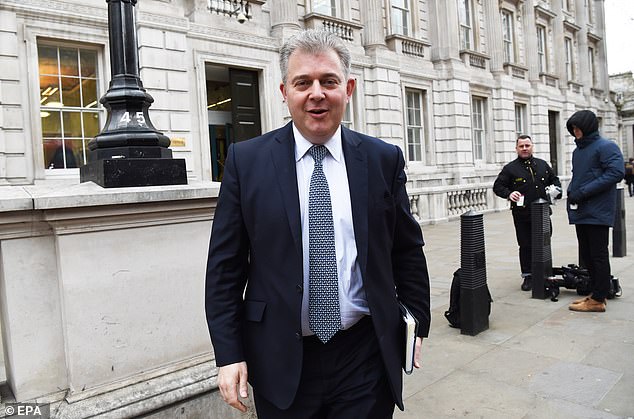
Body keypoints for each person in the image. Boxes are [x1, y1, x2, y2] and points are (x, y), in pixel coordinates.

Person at [205, 29, 431, 419]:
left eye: (329, 81)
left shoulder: (382, 160)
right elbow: (225, 268)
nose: (316, 93)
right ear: (284, 91)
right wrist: (229, 354)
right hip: (280, 357)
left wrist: (415, 322)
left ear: (349, 88)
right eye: (302, 82)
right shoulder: (247, 161)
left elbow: (406, 248)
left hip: (365, 357)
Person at [566, 110, 624, 312]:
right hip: (581, 209)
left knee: (598, 254)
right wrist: (572, 190)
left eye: (578, 127)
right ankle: (596, 292)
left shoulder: (607, 146)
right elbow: (580, 176)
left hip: (598, 210)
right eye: (572, 128)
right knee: (587, 254)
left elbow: (616, 172)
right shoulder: (578, 151)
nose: (575, 131)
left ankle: (599, 299)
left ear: (588, 126)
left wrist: (583, 191)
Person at [493, 135, 561, 291]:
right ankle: (528, 276)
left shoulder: (543, 165)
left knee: (544, 242)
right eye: (521, 146)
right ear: (516, 148)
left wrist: (555, 191)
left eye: (527, 145)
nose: (525, 148)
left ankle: (544, 271)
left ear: (532, 146)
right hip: (522, 214)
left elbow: (555, 181)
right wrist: (509, 194)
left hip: (543, 213)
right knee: (525, 245)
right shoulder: (510, 168)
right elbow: (498, 187)